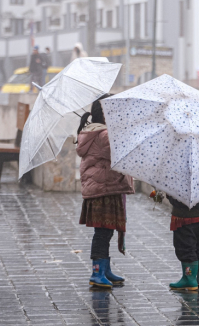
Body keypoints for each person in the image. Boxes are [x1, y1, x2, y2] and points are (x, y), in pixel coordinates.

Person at [76, 94, 135, 288]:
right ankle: (97, 272)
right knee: (102, 233)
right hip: (105, 189)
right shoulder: (104, 135)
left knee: (105, 232)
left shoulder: (96, 132)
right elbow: (122, 154)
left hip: (105, 188)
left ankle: (104, 269)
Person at [164, 193, 199, 291]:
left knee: (185, 245)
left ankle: (189, 278)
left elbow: (173, 193)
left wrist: (169, 194)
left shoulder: (179, 176)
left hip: (184, 213)